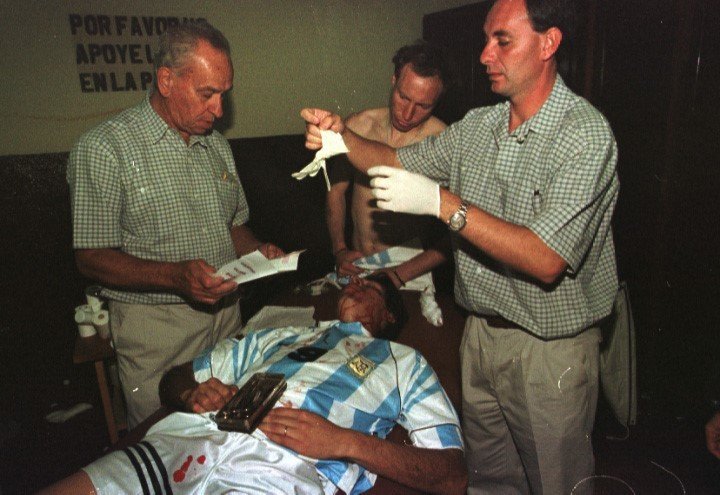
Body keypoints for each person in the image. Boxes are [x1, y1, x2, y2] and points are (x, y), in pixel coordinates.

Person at [300, 0, 619, 493]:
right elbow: (395, 159)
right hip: (480, 337)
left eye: (502, 41)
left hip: (547, 351)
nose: (485, 55)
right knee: (489, 481)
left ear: (549, 43)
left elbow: (546, 259)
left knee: (557, 484)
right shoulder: (479, 127)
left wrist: (442, 204)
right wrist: (340, 140)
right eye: (486, 39)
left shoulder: (584, 135)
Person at [39, 273, 467, 495]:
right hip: (194, 437)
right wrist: (191, 393)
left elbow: (452, 476)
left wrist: (344, 443)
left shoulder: (405, 362)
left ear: (390, 315)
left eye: (368, 286)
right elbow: (175, 378)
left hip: (282, 470)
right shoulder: (282, 335)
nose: (353, 284)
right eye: (351, 280)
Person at [67, 21, 283, 428]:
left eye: (224, 95)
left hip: (226, 321)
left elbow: (233, 225)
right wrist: (175, 277)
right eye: (207, 94)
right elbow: (91, 258)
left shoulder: (215, 145)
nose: (219, 110)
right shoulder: (104, 148)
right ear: (166, 80)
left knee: (234, 434)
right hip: (158, 334)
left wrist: (258, 251)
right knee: (166, 443)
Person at [327, 41, 449, 288]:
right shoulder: (357, 127)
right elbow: (336, 192)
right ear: (394, 80)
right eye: (404, 97)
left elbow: (461, 229)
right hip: (359, 263)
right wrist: (340, 250)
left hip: (410, 269)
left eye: (423, 106)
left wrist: (401, 273)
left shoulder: (443, 141)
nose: (407, 113)